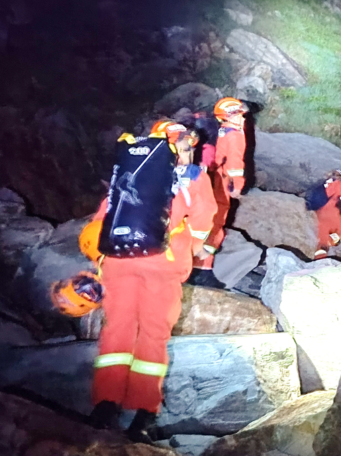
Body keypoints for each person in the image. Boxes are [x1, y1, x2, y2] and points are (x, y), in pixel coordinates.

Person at [88, 121, 216, 443]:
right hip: (163, 263)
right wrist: (196, 248)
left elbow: (105, 215)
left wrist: (100, 259)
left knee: (116, 330)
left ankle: (105, 406)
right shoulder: (193, 176)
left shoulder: (132, 166)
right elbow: (203, 219)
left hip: (118, 262)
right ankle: (143, 415)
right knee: (153, 336)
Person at [189, 97, 248, 287]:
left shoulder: (224, 131)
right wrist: (237, 185)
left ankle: (197, 265)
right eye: (239, 114)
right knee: (215, 226)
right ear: (230, 117)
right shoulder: (235, 135)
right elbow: (235, 163)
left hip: (216, 179)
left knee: (210, 224)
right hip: (222, 183)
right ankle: (202, 269)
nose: (243, 118)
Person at [314, 169, 341, 259]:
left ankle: (319, 259)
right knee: (330, 238)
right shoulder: (340, 187)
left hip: (322, 213)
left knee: (323, 238)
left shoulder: (327, 184)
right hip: (333, 214)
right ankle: (322, 260)